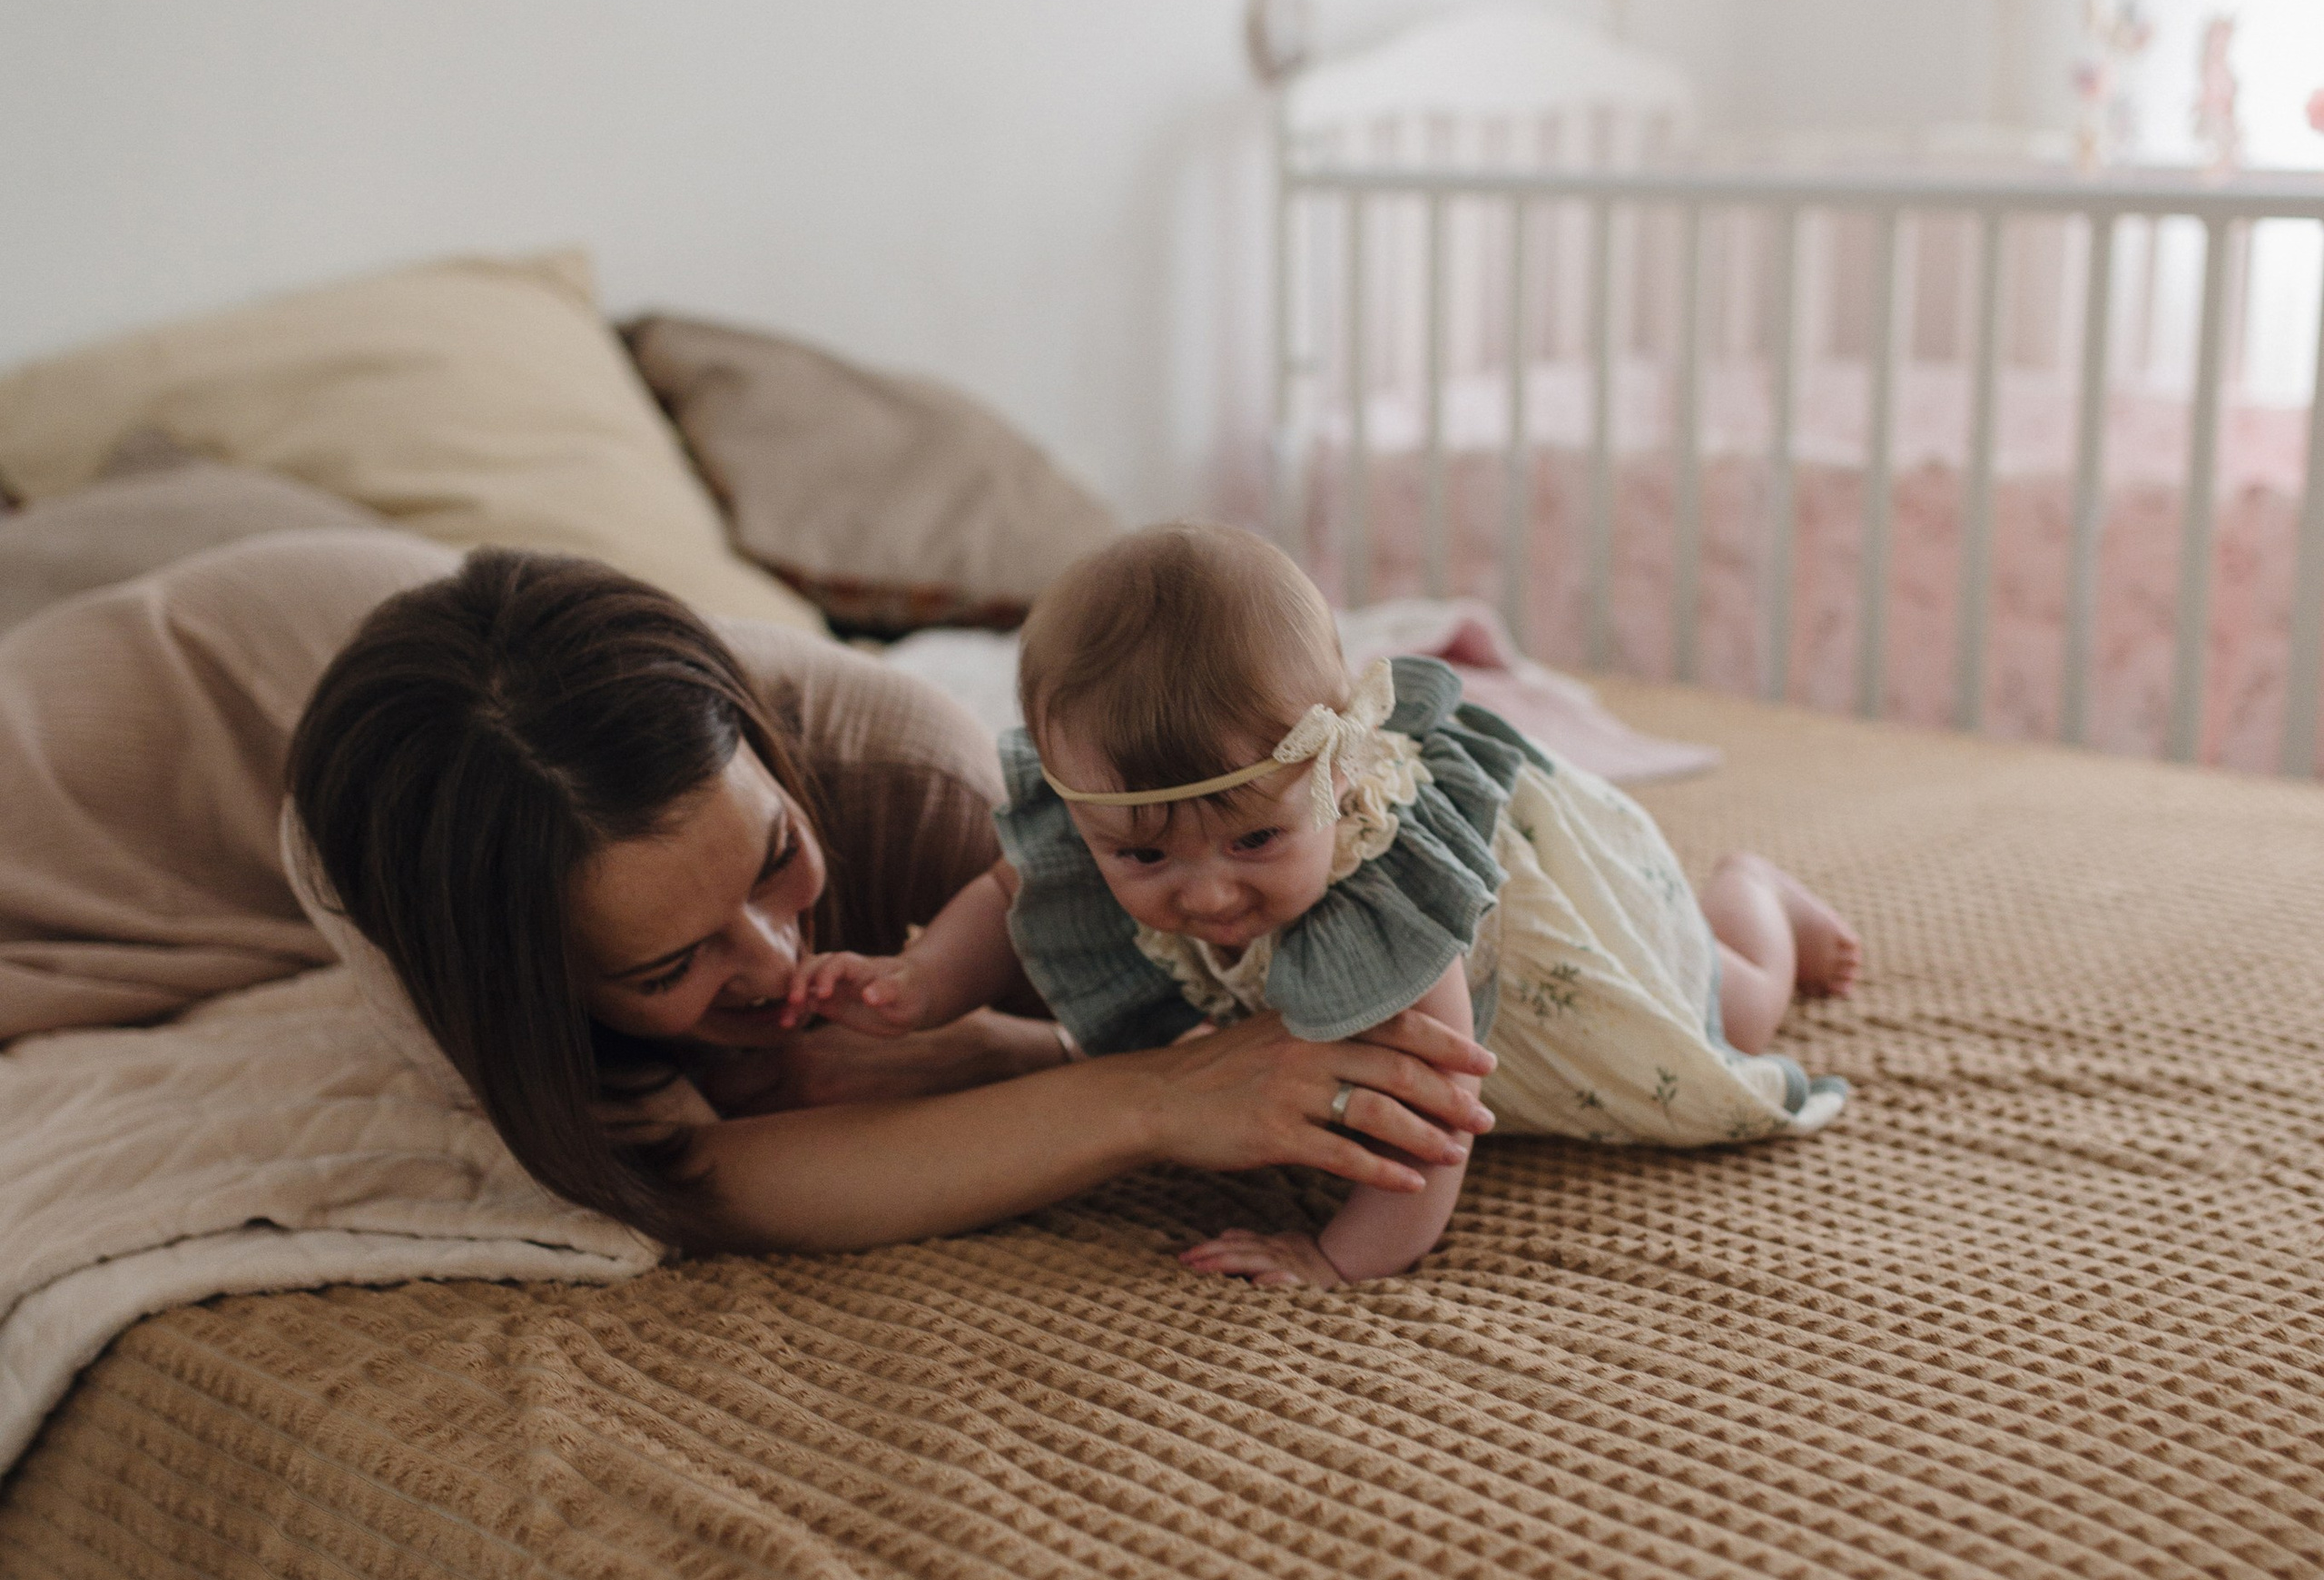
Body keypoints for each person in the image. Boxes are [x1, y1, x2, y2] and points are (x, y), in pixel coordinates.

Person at [271, 540, 1495, 1253]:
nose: (766, 962)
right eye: (665, 966)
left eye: (775, 864)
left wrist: (991, 1049)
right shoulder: (405, 913)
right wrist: (1150, 1102)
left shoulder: (915, 781)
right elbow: (683, 1177)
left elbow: (1132, 984)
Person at [794, 524, 1858, 1287]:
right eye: (1142, 856)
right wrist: (920, 980)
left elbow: (1432, 1119)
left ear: (1336, 779)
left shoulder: (1387, 905)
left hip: (1561, 958)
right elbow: (1004, 889)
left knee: (1740, 1006)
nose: (1206, 891)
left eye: (1256, 838)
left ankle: (1754, 891)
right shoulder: (1105, 826)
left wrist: (1339, 1254)